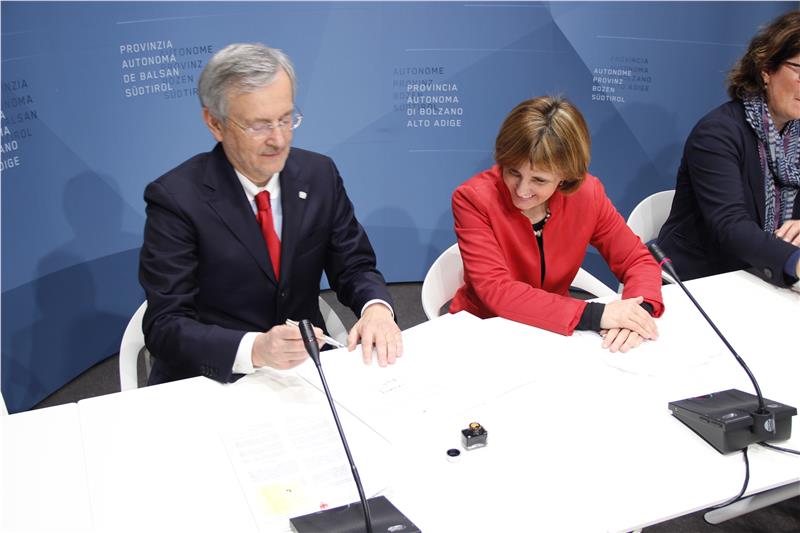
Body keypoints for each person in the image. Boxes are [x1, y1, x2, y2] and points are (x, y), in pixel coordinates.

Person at [139, 43, 402, 385]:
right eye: (259, 126)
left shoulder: (319, 175)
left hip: (303, 371)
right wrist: (255, 349)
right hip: (214, 380)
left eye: (286, 119)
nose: (279, 139)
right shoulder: (176, 199)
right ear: (215, 123)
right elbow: (165, 325)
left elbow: (354, 266)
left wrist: (376, 308)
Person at [449, 96, 664, 353]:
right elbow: (496, 290)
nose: (522, 190)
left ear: (565, 176)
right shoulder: (473, 199)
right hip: (486, 330)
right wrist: (598, 315)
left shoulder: (588, 195)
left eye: (539, 180)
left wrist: (637, 313)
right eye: (513, 172)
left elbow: (636, 260)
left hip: (553, 332)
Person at [657, 11, 800, 287]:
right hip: (699, 281)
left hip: (762, 277)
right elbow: (730, 225)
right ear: (767, 70)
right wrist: (795, 261)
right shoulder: (717, 133)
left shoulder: (796, 134)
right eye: (799, 70)